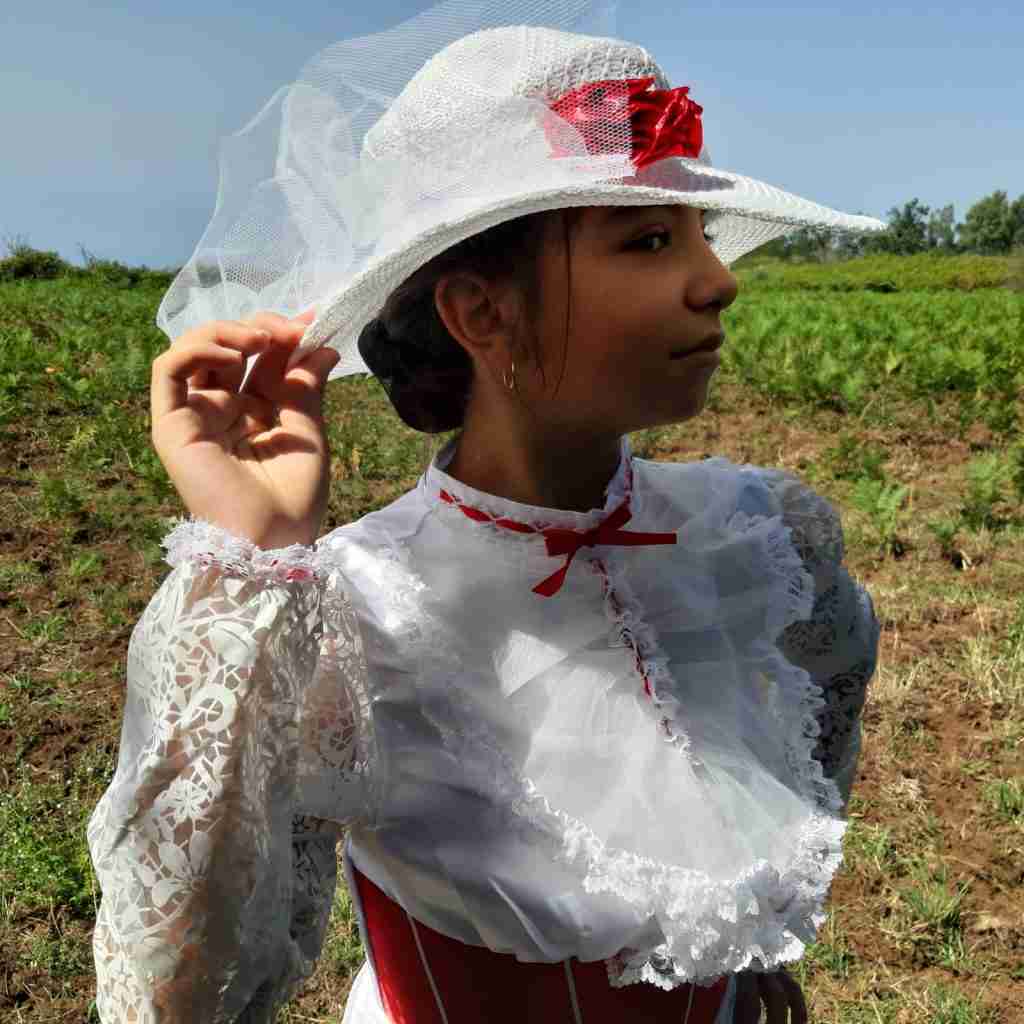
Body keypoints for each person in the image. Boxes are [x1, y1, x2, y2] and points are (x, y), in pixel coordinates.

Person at [86, 9, 883, 1023]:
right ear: (480, 312)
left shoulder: (762, 536)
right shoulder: (358, 610)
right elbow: (179, 983)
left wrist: (751, 958)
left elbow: (804, 754)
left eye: (700, 235)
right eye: (648, 240)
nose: (717, 281)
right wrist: (258, 553)